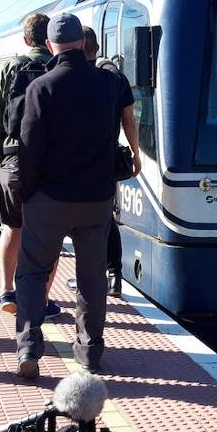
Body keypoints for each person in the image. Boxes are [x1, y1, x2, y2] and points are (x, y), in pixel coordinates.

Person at [14, 14, 130, 377]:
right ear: (83, 43)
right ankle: (90, 355)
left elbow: (29, 149)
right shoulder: (109, 84)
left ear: (49, 46)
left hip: (49, 198)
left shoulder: (41, 88)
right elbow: (126, 110)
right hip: (95, 200)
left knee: (32, 272)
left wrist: (29, 195)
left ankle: (29, 349)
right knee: (92, 278)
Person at [0, 13, 61, 320]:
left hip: (14, 160)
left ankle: (7, 290)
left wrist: (0, 156)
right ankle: (41, 298)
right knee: (50, 236)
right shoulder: (58, 68)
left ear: (26, 40)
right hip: (52, 166)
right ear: (49, 40)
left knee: (11, 227)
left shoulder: (10, 68)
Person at [82, 27, 141, 298]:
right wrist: (136, 153)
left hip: (80, 163)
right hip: (107, 160)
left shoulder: (81, 77)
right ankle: (114, 275)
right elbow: (129, 120)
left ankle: (91, 277)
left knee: (81, 222)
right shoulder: (116, 76)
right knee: (106, 218)